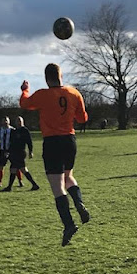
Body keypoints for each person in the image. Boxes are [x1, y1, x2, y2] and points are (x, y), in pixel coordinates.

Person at [20, 63, 90, 247]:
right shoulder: (74, 93)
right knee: (69, 176)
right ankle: (79, 203)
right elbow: (83, 119)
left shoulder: (42, 95)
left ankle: (69, 224)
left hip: (52, 142)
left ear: (46, 78)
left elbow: (24, 104)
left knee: (57, 187)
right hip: (70, 140)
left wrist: (25, 90)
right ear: (61, 75)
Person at [0, 116, 40, 192]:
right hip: (14, 153)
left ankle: (34, 185)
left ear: (22, 122)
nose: (18, 122)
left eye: (20, 121)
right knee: (15, 169)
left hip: (20, 153)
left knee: (20, 169)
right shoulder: (14, 131)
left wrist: (30, 151)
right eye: (17, 121)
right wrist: (8, 151)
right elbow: (11, 143)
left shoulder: (25, 130)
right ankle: (10, 187)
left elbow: (29, 142)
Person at [0, 116, 24, 188]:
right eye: (4, 121)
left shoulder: (13, 130)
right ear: (1, 122)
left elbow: (17, 141)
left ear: (9, 121)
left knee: (16, 167)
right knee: (1, 167)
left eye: (6, 120)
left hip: (12, 151)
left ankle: (20, 181)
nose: (5, 122)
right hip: (2, 151)